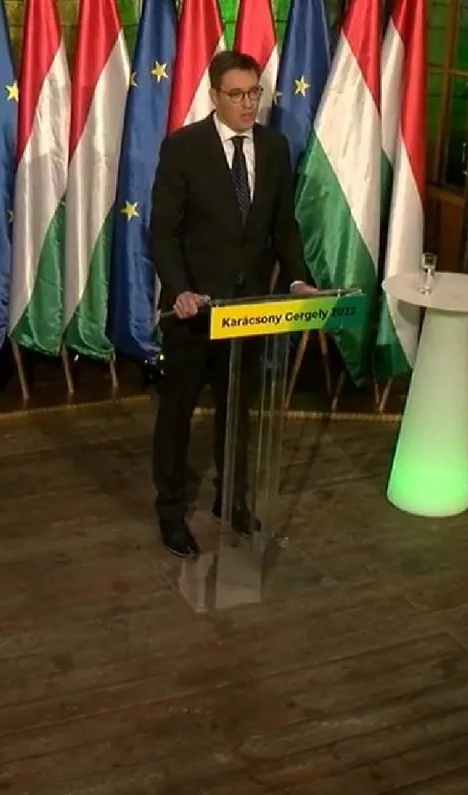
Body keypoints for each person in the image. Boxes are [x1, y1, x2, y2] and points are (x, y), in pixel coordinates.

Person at [149, 50, 317, 559]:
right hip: (194, 310)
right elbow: (163, 232)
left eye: (254, 93)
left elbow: (283, 226)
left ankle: (232, 500)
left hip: (248, 310)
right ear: (215, 96)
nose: (248, 103)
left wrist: (297, 280)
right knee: (176, 418)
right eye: (237, 94)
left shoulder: (274, 147)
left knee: (237, 412)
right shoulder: (183, 148)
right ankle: (171, 513)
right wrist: (180, 289)